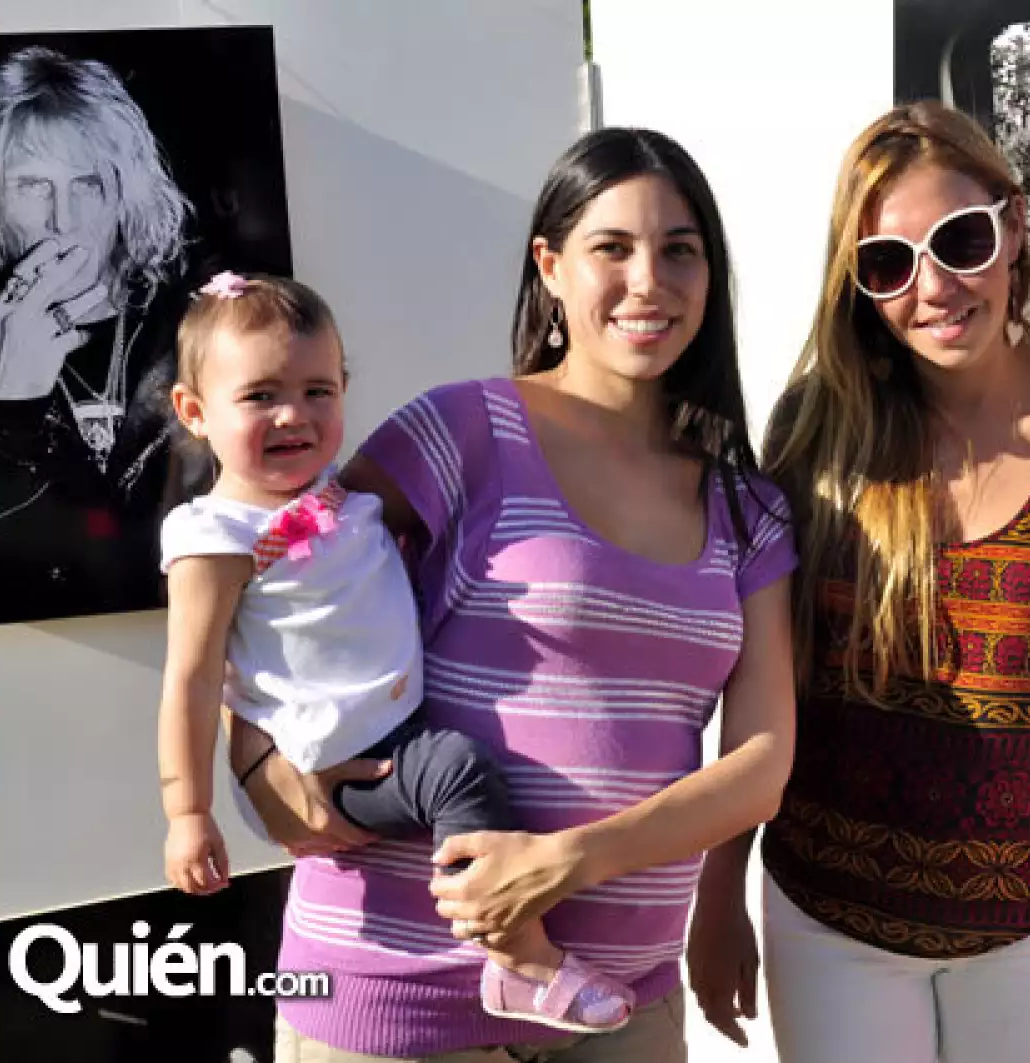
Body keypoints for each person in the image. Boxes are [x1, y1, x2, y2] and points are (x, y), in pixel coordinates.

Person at [226, 127, 796, 1063]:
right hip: (398, 995)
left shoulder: (750, 507)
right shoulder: (462, 431)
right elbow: (273, 581)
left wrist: (567, 861)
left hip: (616, 1005)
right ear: (552, 266)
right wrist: (252, 758)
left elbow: (762, 763)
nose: (648, 280)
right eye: (612, 247)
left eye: (679, 250)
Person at [687, 101, 1030, 1063]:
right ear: (860, 284)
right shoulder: (818, 435)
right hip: (830, 911)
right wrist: (717, 894)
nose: (935, 287)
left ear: (1013, 228)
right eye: (889, 263)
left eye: (959, 240)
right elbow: (765, 692)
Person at [156, 272, 635, 1034]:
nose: (294, 415)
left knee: (461, 769)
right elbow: (191, 674)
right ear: (194, 411)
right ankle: (519, 958)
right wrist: (189, 809)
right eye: (259, 396)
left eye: (319, 390)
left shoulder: (349, 502)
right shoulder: (215, 537)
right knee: (459, 771)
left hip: (384, 736)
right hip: (342, 761)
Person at [0, 44, 205, 623]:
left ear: (123, 197)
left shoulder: (200, 324)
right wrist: (11, 403)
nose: (63, 219)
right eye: (31, 186)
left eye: (88, 185)